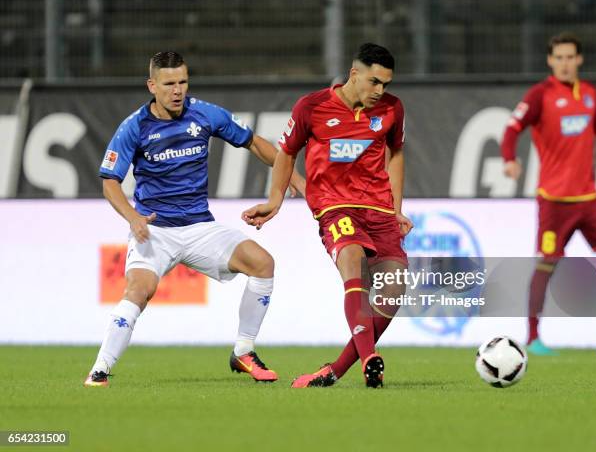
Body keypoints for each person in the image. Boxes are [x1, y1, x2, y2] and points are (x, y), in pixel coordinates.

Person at [84, 51, 305, 387]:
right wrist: (133, 217)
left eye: (183, 82)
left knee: (262, 263)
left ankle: (244, 352)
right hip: (155, 230)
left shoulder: (205, 114)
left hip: (200, 226)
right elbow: (109, 182)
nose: (178, 90)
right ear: (152, 86)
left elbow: (255, 144)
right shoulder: (134, 126)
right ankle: (100, 369)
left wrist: (297, 180)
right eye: (169, 83)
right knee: (140, 290)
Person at [242, 43, 412, 388]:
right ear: (354, 74)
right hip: (335, 206)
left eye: (386, 84)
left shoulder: (393, 109)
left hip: (378, 208)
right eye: (375, 82)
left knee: (394, 290)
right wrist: (275, 201)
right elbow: (286, 153)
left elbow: (396, 153)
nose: (381, 91)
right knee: (353, 264)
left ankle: (335, 369)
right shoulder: (312, 106)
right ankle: (369, 359)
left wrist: (396, 210)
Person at [501, 32, 596, 355]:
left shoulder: (589, 94)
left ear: (579, 59)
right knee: (546, 264)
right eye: (558, 58)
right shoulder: (540, 95)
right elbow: (511, 128)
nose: (564, 63)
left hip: (589, 200)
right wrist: (509, 159)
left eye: (570, 57)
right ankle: (533, 338)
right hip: (554, 200)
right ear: (550, 61)